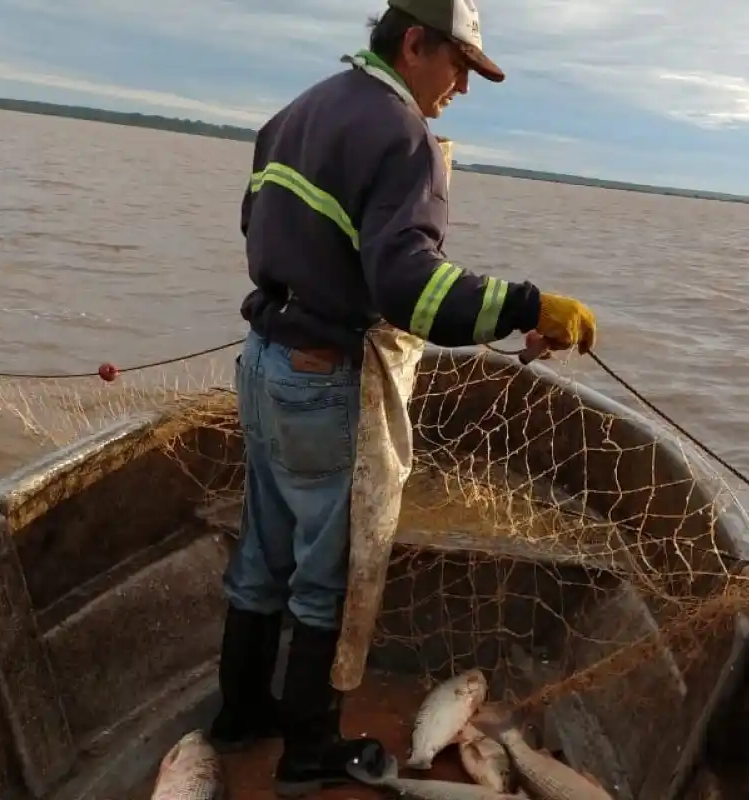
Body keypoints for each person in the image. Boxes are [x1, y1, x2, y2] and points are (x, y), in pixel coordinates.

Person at [207, 0, 598, 795]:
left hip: (264, 364)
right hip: (324, 380)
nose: (461, 86)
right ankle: (311, 752)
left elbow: (262, 224)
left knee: (263, 548)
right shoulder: (403, 135)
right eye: (457, 65)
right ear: (413, 42)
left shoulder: (295, 114)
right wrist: (530, 306)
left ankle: (242, 713)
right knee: (330, 575)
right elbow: (409, 288)